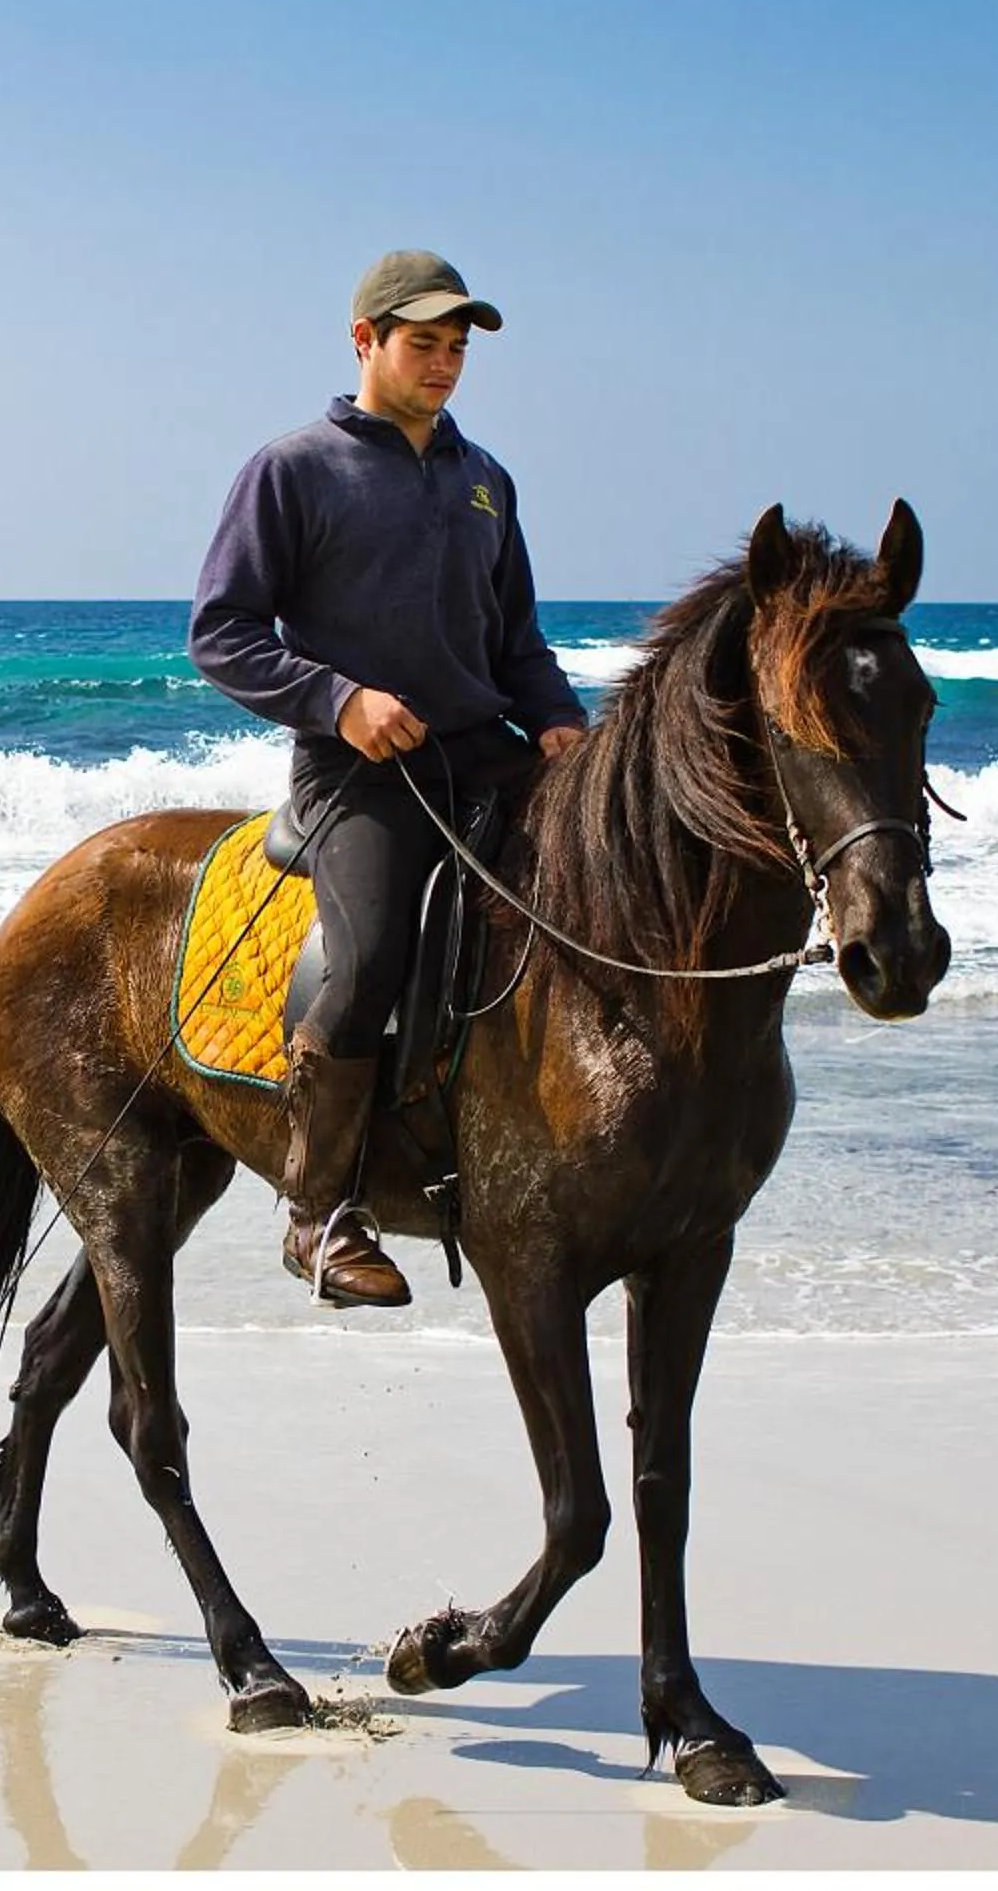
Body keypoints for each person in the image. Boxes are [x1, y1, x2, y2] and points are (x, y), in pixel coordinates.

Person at [188, 250, 588, 1308]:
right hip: (357, 771)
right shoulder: (293, 470)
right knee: (368, 962)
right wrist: (340, 702)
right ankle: (320, 1212)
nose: (445, 363)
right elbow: (222, 634)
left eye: (458, 347)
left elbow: (519, 642)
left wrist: (558, 721)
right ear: (364, 341)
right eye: (424, 343)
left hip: (482, 749)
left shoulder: (485, 481)